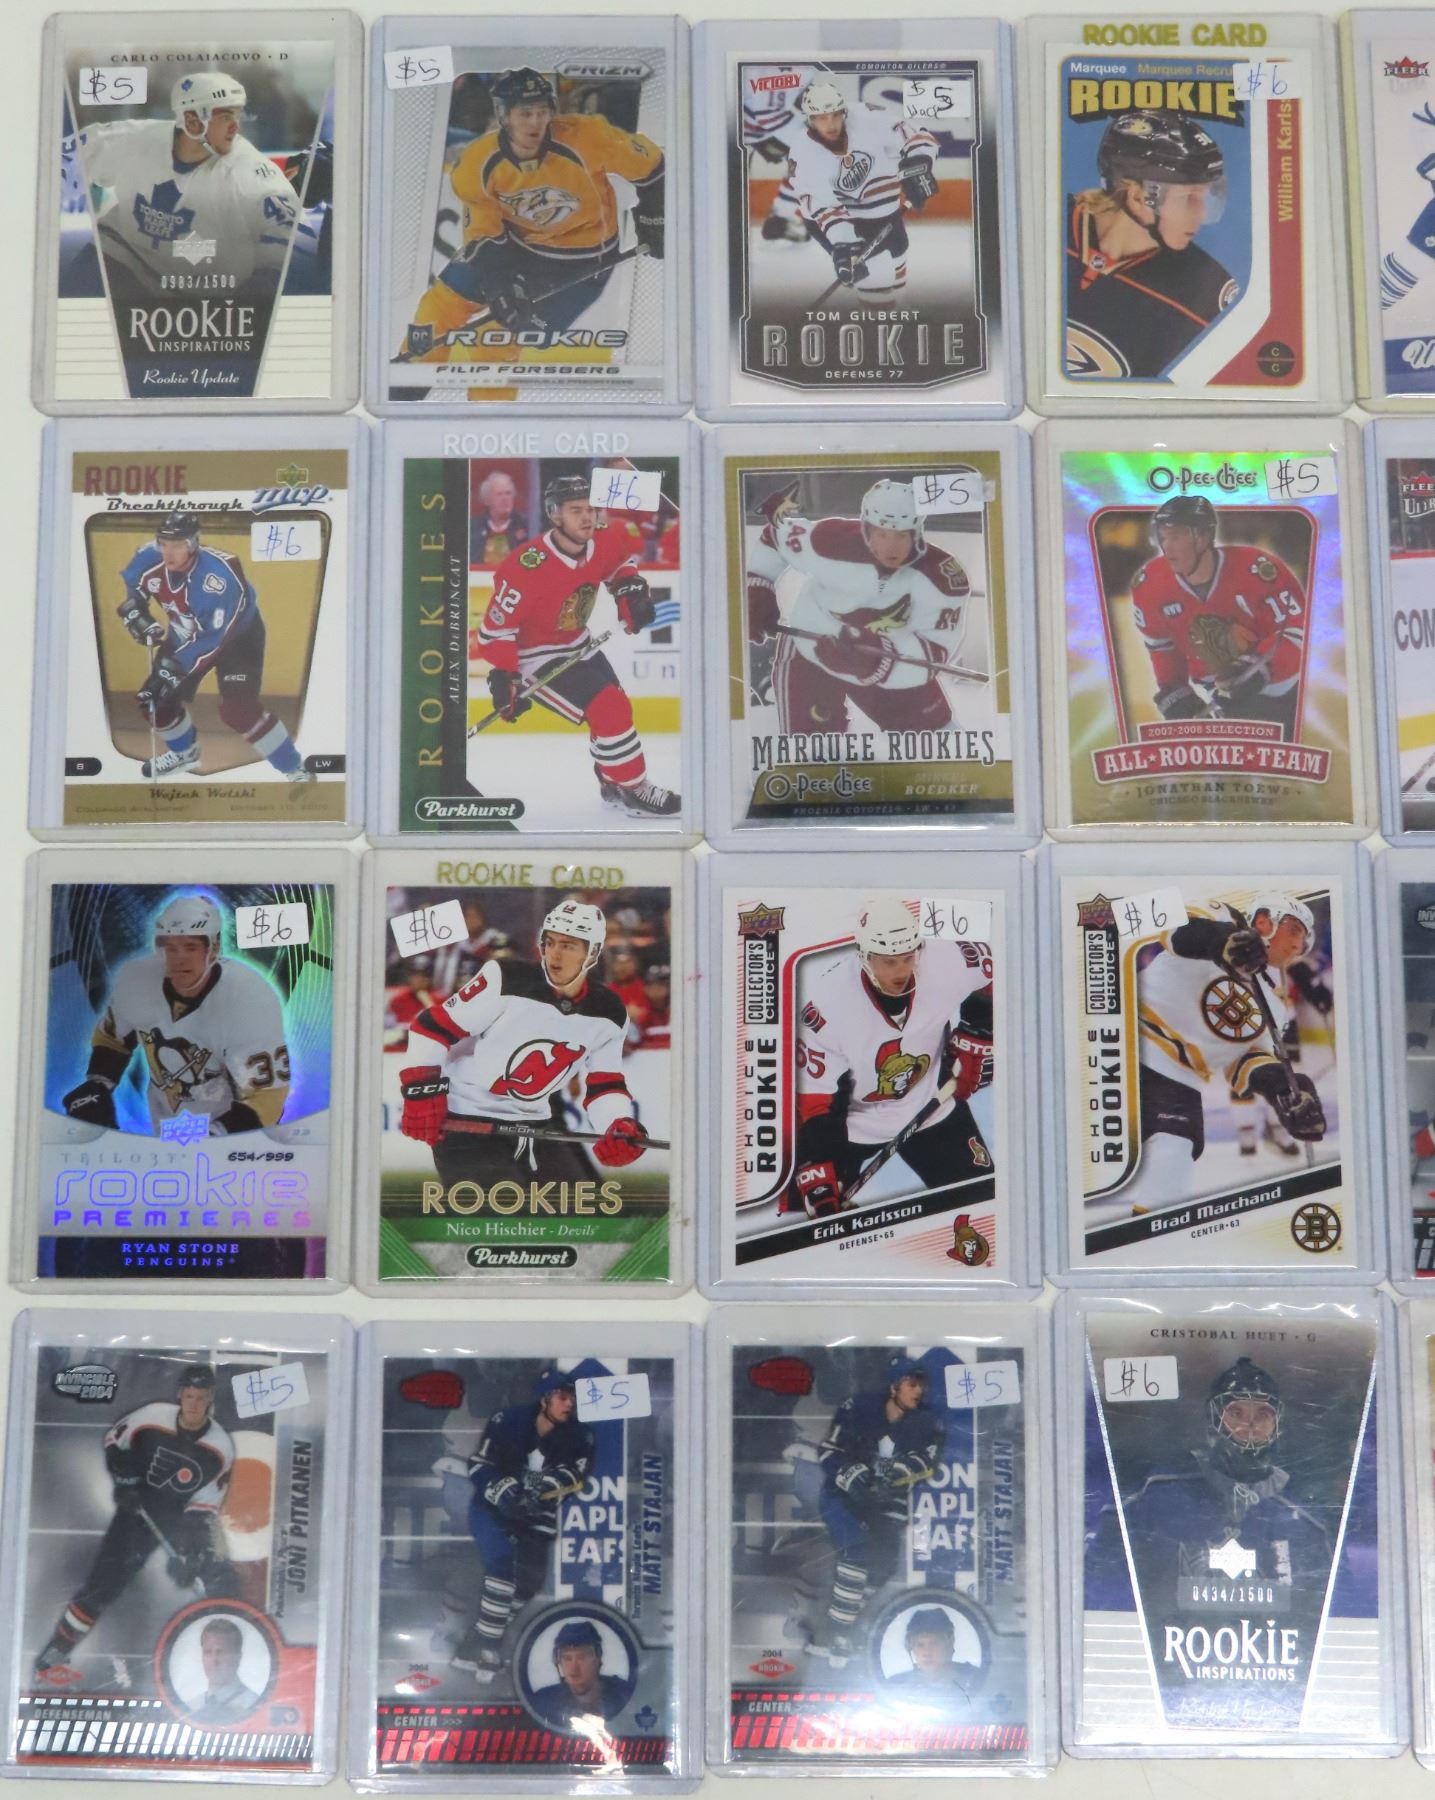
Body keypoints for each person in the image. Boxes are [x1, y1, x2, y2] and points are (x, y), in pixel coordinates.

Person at [1085, 1356, 1337, 1728]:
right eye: (1236, 1412)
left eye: (1263, 1414)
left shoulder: (1307, 1523)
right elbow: (1099, 1587)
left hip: (1268, 1699)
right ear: (1215, 1418)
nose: (1250, 1424)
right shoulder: (1154, 1497)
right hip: (1164, 1689)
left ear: (1277, 1424)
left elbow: (1329, 1623)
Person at [398, 897, 651, 1195]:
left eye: (568, 945)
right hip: (465, 1120)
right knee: (497, 1210)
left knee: (582, 1209)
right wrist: (422, 1090)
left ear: (592, 953)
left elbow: (605, 1085)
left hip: (534, 1124)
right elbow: (430, 1027)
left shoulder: (609, 1011)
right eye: (549, 942)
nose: (554, 954)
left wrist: (617, 1124)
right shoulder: (507, 978)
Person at [405, 67, 663, 357]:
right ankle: (413, 377)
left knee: (501, 337)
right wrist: (500, 285)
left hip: (583, 261)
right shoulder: (477, 163)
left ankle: (487, 388)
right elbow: (484, 235)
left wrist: (654, 216)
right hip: (515, 247)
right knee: (440, 306)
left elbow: (653, 165)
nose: (535, 123)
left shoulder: (588, 137)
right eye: (525, 113)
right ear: (503, 115)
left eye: (542, 112)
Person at [478, 474, 679, 816]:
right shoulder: (526, 566)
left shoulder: (603, 537)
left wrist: (630, 592)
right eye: (576, 511)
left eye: (591, 509)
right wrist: (506, 678)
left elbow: (619, 565)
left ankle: (613, 781)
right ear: (555, 515)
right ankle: (635, 789)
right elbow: (494, 633)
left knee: (615, 712)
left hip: (579, 643)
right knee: (609, 707)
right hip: (536, 657)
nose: (588, 517)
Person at [1114, 895, 1326, 1215]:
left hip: (1176, 1078)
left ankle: (1138, 1241)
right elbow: (1174, 930)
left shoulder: (1274, 1006)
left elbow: (1246, 1062)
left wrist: (1283, 1089)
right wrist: (1222, 941)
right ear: (1265, 920)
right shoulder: (1221, 915)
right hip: (1123, 1033)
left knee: (1174, 1161)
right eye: (1295, 930)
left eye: (1304, 942)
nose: (1298, 945)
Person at [790, 896, 993, 1217]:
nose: (902, 971)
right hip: (850, 1126)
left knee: (985, 1208)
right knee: (808, 1214)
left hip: (932, 1105)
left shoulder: (946, 959)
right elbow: (814, 1099)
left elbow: (1006, 963)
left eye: (908, 957)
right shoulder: (826, 1005)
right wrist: (816, 1165)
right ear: (864, 956)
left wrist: (979, 1032)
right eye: (889, 961)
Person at [35, 1366, 236, 1673]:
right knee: (102, 1586)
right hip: (136, 1512)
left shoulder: (221, 1448)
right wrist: (124, 1478)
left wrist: (194, 1554)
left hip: (181, 1519)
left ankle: (227, 1650)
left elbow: (204, 1509)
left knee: (211, 1577)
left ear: (210, 1399)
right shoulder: (152, 1415)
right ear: (180, 1394)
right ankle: (57, 1649)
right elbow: (115, 1441)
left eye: (201, 1397)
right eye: (189, 1396)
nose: (194, 1404)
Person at [747, 479, 972, 737]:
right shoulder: (829, 540)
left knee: (941, 741)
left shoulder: (941, 577)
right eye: (882, 534)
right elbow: (774, 536)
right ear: (866, 528)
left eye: (901, 536)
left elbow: (934, 651)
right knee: (809, 750)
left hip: (892, 661)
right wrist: (758, 589)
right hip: (813, 649)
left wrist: (875, 663)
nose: (891, 547)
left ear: (917, 534)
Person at [61, 893, 290, 1138]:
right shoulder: (135, 979)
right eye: (170, 947)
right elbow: (114, 1039)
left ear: (213, 949)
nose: (178, 958)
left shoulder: (249, 997)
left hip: (231, 1133)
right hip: (166, 1128)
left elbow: (267, 1098)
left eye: (191, 947)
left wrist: (215, 1136)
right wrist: (98, 1084)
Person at [116, 510, 312, 783]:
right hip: (186, 633)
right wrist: (137, 610)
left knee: (239, 710)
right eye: (164, 543)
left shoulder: (218, 578)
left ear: (194, 543)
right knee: (156, 701)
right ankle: (185, 753)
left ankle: (294, 768)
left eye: (178, 545)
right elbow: (136, 585)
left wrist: (171, 669)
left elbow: (213, 638)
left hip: (237, 640)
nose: (168, 552)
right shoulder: (150, 555)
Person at [67, 71, 301, 299]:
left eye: (237, 116)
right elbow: (61, 165)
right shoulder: (135, 140)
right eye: (225, 117)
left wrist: (264, 285)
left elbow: (285, 233)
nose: (235, 127)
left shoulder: (250, 170)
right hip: (120, 254)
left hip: (193, 289)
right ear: (193, 122)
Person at [437, 1369, 595, 1681]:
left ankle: (472, 1648)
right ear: (545, 1398)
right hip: (493, 1509)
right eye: (563, 1396)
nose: (570, 1404)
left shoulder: (580, 1436)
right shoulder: (509, 1420)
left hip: (537, 1517)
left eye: (574, 1398)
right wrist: (505, 1491)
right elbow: (480, 1466)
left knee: (528, 1583)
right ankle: (488, 1650)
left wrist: (535, 1490)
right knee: (502, 1569)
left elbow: (573, 1478)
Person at [1065, 111, 1237, 379]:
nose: (1201, 214)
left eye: (1205, 197)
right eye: (1188, 198)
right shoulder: (1041, 226)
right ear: (1138, 197)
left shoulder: (1206, 297)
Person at [1130, 495, 1308, 735]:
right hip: (1223, 698)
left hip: (1287, 688)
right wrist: (1173, 690)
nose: (1166, 546)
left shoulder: (1255, 569)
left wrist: (1259, 667)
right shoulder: (1150, 585)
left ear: (1203, 536)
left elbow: (1300, 632)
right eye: (1162, 537)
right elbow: (1162, 648)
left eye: (1176, 536)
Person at [808, 1354, 943, 1666]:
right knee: (856, 1552)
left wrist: (892, 1475)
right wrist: (852, 1474)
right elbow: (828, 1450)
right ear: (894, 1385)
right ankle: (838, 1634)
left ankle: (835, 1627)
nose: (918, 1391)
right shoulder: (859, 1407)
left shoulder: (927, 1422)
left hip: (886, 1503)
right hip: (844, 1497)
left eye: (921, 1385)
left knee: (883, 1565)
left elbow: (926, 1464)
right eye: (912, 1384)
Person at [784, 80, 939, 299]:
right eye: (822, 117)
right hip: (835, 219)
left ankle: (899, 307)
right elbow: (820, 204)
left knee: (898, 254)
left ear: (844, 111)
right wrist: (844, 245)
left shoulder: (868, 117)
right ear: (810, 120)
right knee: (875, 278)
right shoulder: (803, 152)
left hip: (882, 207)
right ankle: (880, 314)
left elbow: (915, 135)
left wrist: (918, 164)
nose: (831, 123)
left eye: (835, 114)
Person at [530, 1619, 634, 1726]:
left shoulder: (624, 1695)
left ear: (598, 1658)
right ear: (558, 1662)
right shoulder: (543, 1702)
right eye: (567, 1658)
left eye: (582, 1657)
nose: (574, 1667)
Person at [884, 1606, 978, 1699]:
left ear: (949, 1644)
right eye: (920, 1645)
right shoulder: (894, 1687)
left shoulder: (975, 1679)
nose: (926, 1652)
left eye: (934, 1643)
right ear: (911, 1647)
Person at [185, 1616, 262, 1724]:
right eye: (208, 1652)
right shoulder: (190, 1707)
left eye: (221, 1652)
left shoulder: (257, 1706)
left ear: (238, 1657)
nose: (214, 1660)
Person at [472, 471, 530, 563]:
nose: (505, 498)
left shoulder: (526, 526)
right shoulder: (473, 528)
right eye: (499, 494)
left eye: (508, 493)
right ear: (487, 500)